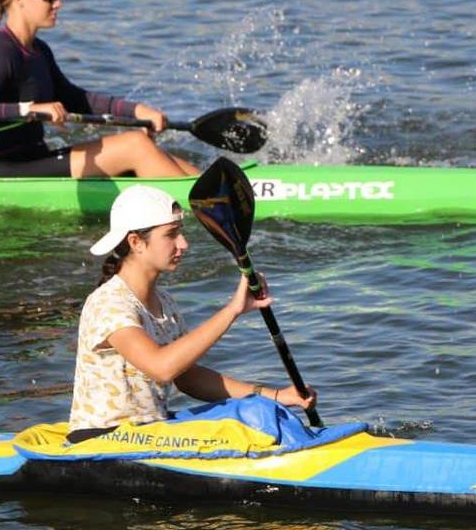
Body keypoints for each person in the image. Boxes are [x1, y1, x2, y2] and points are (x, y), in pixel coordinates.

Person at [67, 185, 316, 443]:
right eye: (171, 234)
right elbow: (161, 368)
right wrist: (233, 310)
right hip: (100, 439)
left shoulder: (165, 302)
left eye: (181, 233)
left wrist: (276, 396)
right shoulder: (109, 303)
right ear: (136, 242)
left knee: (257, 410)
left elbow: (188, 378)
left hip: (150, 432)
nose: (183, 244)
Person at [0, 0, 196, 179]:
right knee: (135, 146)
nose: (58, 3)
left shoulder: (39, 51)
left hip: (33, 158)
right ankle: (209, 210)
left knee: (151, 149)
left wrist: (137, 111)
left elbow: (77, 99)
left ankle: (216, 192)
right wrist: (31, 109)